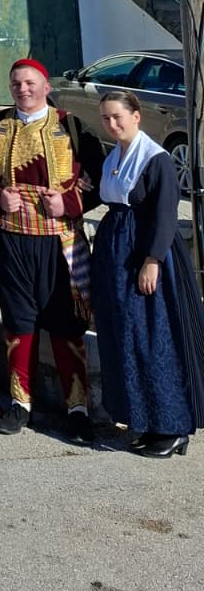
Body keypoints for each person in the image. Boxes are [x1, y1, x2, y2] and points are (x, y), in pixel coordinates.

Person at [0, 58, 105, 443]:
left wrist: (70, 203)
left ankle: (77, 409)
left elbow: (102, 177)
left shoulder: (72, 126)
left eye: (30, 83)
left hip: (60, 241)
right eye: (16, 83)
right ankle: (20, 403)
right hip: (12, 240)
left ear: (46, 86)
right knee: (18, 320)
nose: (22, 89)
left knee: (66, 322)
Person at [89, 90, 204, 458]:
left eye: (118, 116)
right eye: (106, 118)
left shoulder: (156, 159)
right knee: (126, 338)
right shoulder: (114, 157)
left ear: (136, 116)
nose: (112, 123)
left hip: (146, 255)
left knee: (153, 339)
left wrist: (152, 260)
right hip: (116, 256)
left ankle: (173, 427)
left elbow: (166, 214)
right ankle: (146, 421)